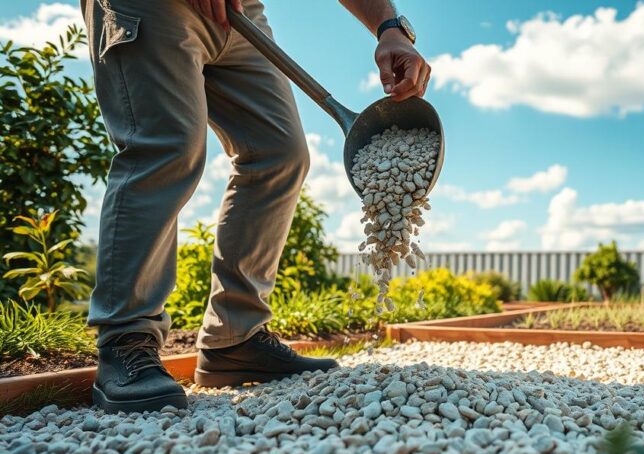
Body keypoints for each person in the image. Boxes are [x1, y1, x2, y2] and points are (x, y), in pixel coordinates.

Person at [80, 0, 430, 413]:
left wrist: (390, 28)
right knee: (167, 149)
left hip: (239, 11)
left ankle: (235, 338)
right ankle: (125, 338)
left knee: (279, 153)